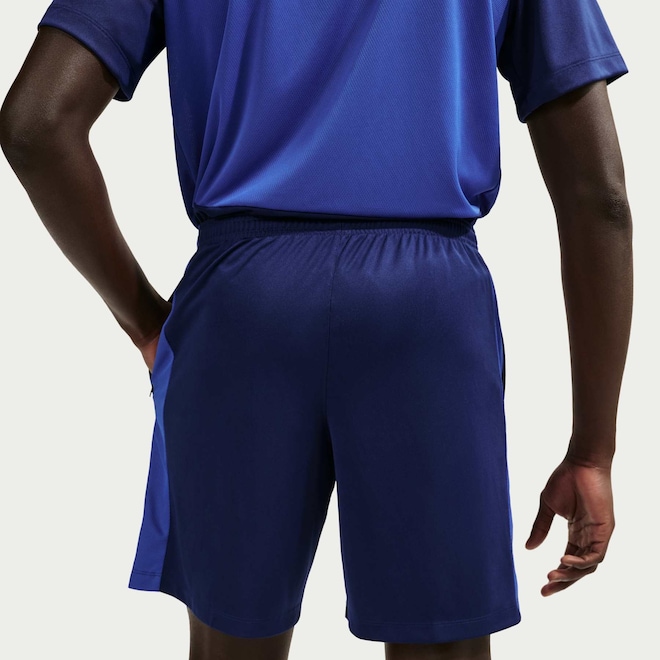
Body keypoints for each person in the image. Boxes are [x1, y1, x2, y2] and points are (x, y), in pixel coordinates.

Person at [0, 1, 632, 659]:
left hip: (241, 303)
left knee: (230, 642)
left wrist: (147, 322)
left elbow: (36, 124)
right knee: (442, 644)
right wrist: (592, 450)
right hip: (427, 308)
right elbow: (600, 200)